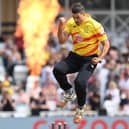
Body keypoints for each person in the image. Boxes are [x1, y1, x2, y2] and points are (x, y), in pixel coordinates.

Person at [53, 2, 110, 124]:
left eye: (78, 17)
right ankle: (69, 93)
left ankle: (80, 108)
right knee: (57, 70)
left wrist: (100, 57)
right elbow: (62, 41)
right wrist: (60, 26)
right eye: (74, 17)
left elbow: (106, 44)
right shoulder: (71, 22)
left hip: (90, 58)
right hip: (75, 56)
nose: (75, 20)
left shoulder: (95, 25)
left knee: (80, 82)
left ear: (83, 14)